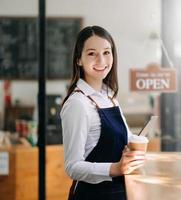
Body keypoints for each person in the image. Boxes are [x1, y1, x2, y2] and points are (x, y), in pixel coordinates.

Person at [60, 26, 146, 200]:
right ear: (79, 60)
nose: (101, 60)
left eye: (107, 52)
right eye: (92, 54)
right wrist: (115, 168)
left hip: (118, 192)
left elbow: (125, 138)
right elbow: (72, 167)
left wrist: (135, 148)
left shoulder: (109, 95)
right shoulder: (78, 103)